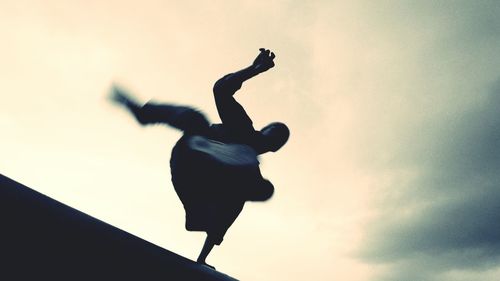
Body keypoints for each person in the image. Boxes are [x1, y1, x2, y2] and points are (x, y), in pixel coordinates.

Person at [109, 48, 289, 269]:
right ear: (265, 129)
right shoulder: (242, 127)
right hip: (188, 157)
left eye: (278, 142)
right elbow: (221, 90)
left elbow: (223, 223)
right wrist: (254, 69)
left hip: (195, 184)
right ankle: (144, 114)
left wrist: (202, 259)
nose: (274, 141)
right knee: (196, 119)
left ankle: (205, 199)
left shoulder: (248, 178)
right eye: (275, 133)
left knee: (252, 188)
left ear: (274, 150)